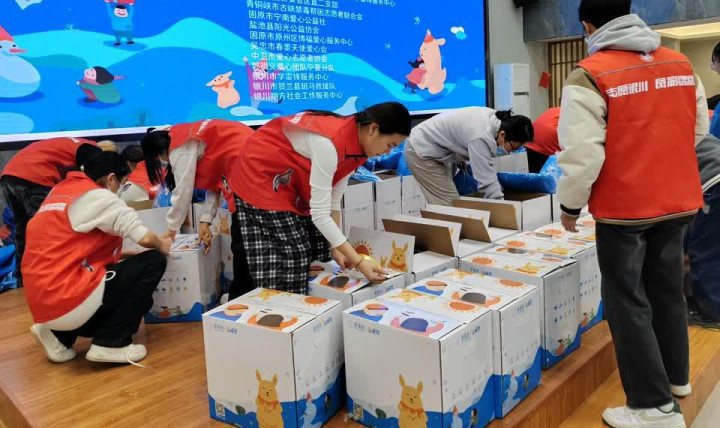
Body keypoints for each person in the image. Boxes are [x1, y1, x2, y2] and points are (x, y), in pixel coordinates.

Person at [558, 0, 708, 428]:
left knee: (626, 301)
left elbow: (583, 154)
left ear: (588, 27)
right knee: (668, 291)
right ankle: (676, 379)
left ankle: (651, 406)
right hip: (677, 199)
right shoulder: (681, 64)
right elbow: (698, 129)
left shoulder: (589, 74)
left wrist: (570, 206)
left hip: (624, 209)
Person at [228, 103, 411, 296]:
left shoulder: (359, 146)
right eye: (390, 145)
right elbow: (320, 215)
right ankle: (285, 303)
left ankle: (315, 299)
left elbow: (334, 200)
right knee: (293, 253)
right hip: (259, 177)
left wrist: (336, 248)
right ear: (373, 129)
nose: (388, 153)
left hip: (288, 178)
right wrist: (358, 262)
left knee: (320, 244)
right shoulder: (328, 143)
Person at [22, 152, 171, 365]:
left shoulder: (60, 192)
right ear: (111, 178)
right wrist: (162, 244)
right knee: (154, 261)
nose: (121, 190)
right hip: (67, 297)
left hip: (43, 302)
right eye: (123, 183)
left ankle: (58, 336)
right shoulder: (99, 196)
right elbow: (146, 238)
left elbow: (71, 248)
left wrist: (128, 255)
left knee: (125, 275)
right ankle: (112, 342)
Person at [0, 137, 101, 285]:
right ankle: (52, 275)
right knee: (49, 228)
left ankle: (22, 276)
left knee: (22, 228)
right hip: (35, 176)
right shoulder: (92, 149)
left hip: (9, 176)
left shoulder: (69, 144)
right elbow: (91, 180)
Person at [141, 120, 253, 248]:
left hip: (247, 169)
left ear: (156, 154)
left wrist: (171, 229)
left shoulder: (179, 148)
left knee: (243, 240)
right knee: (242, 237)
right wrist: (205, 220)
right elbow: (214, 184)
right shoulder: (189, 136)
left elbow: (183, 192)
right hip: (247, 159)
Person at [403, 107, 534, 205]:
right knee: (449, 205)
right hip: (421, 149)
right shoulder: (482, 136)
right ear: (502, 135)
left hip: (438, 148)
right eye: (513, 147)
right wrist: (503, 209)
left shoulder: (497, 121)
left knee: (448, 202)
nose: (511, 152)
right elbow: (486, 180)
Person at [684, 134, 720, 330]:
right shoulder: (689, 129)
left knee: (704, 252)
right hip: (715, 179)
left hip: (714, 185)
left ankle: (712, 313)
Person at [524, 107, 561, 173]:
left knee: (533, 174)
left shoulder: (555, 109)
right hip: (548, 143)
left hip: (530, 140)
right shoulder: (574, 113)